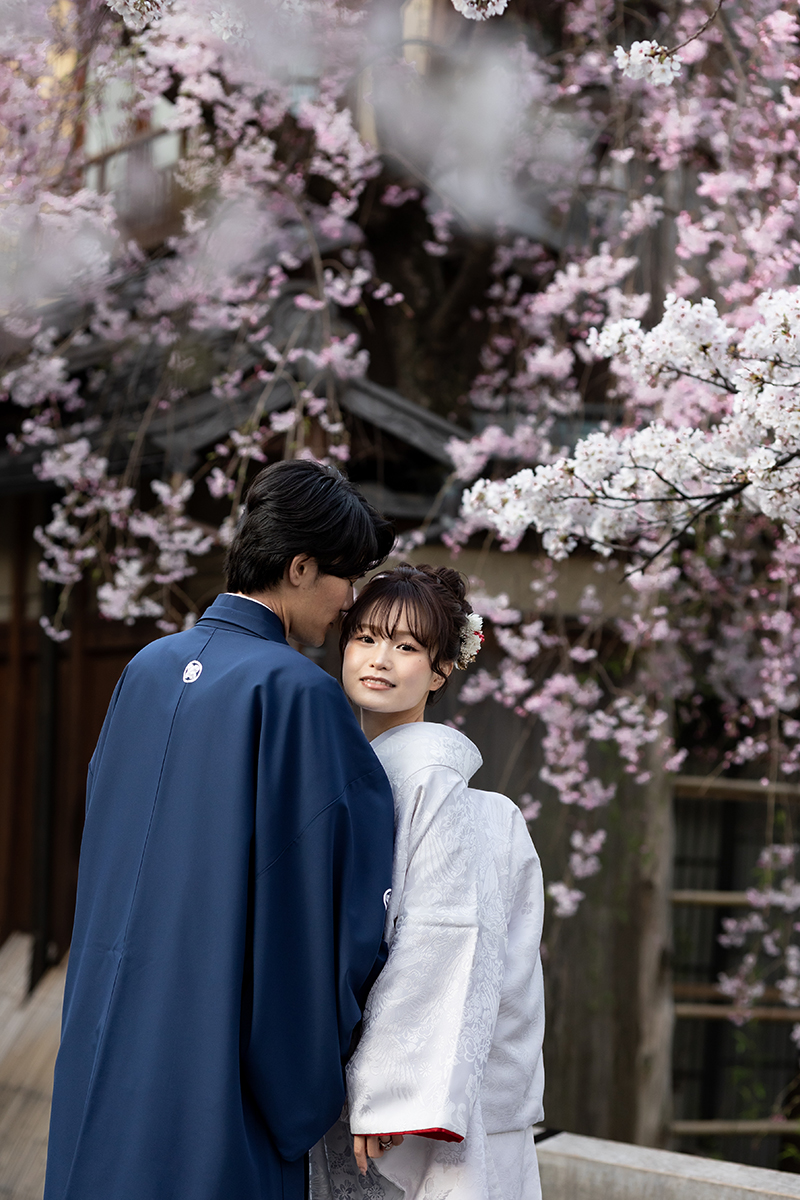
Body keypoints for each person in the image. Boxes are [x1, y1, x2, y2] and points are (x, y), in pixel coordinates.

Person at [44, 459, 397, 1200]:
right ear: (301, 567)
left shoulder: (145, 669)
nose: (349, 607)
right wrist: (305, 1090)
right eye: (345, 580)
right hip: (214, 1085)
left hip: (104, 1068)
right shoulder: (297, 694)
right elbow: (322, 915)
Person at [311, 564, 546, 1200]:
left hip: (399, 1095)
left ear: (442, 670)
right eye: (365, 637)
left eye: (407, 646)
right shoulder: (355, 769)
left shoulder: (428, 778)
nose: (379, 659)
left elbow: (443, 936)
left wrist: (391, 1090)